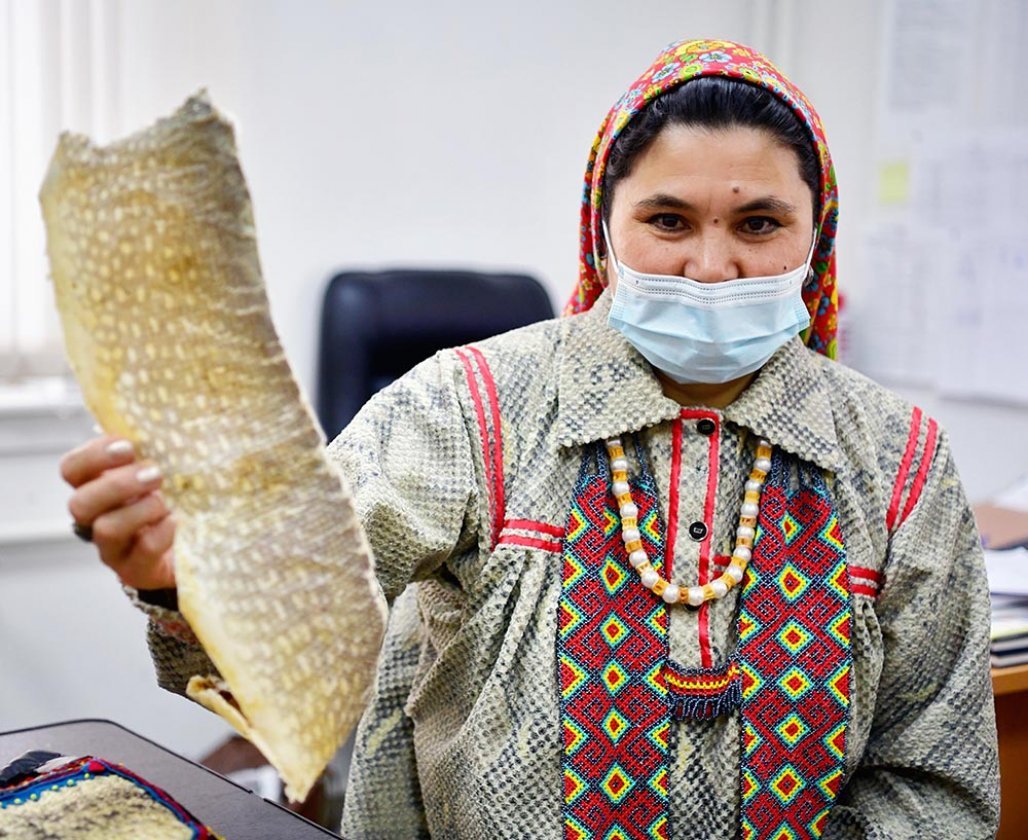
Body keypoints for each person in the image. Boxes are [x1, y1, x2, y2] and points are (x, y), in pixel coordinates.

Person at [60, 39, 999, 839]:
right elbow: (290, 611)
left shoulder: (898, 461)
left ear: (817, 235)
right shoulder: (468, 409)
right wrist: (180, 574)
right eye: (667, 221)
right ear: (603, 229)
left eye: (760, 224)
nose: (712, 267)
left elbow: (936, 781)